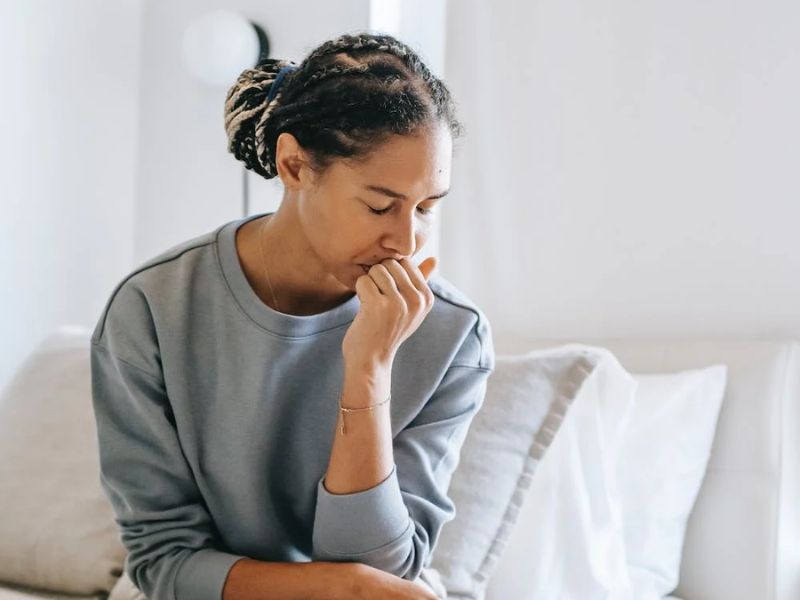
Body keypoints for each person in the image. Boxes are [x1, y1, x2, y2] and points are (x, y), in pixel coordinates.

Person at [90, 31, 494, 600]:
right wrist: (339, 587)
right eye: (381, 205)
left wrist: (370, 371)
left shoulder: (453, 335)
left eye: (427, 207)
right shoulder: (154, 308)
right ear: (294, 164)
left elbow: (383, 572)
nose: (406, 239)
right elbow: (165, 561)